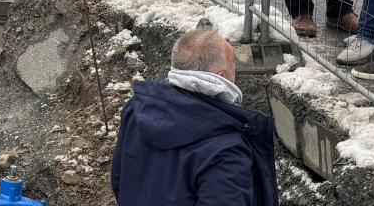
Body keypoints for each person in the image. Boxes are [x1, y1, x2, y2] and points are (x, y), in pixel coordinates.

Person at [111, 23, 276, 206]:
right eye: (233, 62)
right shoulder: (227, 150)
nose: (235, 68)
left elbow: (119, 180)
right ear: (221, 75)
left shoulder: (136, 109)